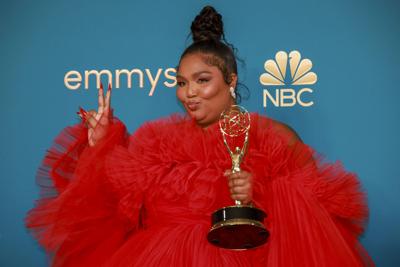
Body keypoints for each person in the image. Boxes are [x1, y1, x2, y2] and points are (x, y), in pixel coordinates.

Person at [25, 5, 375, 267]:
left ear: (231, 81)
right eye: (181, 83)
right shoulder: (153, 143)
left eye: (202, 80)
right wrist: (100, 144)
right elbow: (112, 214)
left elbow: (315, 221)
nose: (188, 93)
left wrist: (260, 195)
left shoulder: (274, 137)